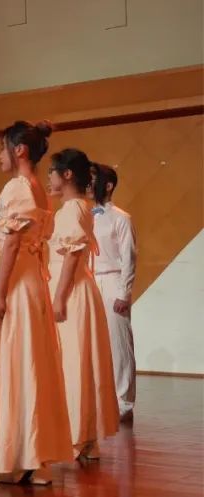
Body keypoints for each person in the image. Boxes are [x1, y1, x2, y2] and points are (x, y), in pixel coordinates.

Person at [0, 121, 71, 485]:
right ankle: (33, 456)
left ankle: (24, 454)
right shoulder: (38, 189)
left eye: (2, 148)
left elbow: (12, 244)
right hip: (33, 284)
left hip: (19, 283)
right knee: (31, 362)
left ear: (19, 150)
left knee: (17, 362)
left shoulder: (17, 187)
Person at [48, 149, 119, 461]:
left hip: (72, 292)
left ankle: (79, 435)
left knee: (75, 363)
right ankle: (85, 437)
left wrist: (59, 296)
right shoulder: (76, 208)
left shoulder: (73, 209)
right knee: (77, 362)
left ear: (66, 175)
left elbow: (73, 255)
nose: (48, 178)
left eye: (52, 172)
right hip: (74, 290)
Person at [91, 163, 138, 422]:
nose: (89, 183)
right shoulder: (85, 216)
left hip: (112, 280)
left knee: (119, 344)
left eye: (94, 178)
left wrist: (124, 293)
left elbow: (129, 258)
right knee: (94, 343)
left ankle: (124, 402)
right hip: (89, 281)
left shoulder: (121, 218)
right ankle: (100, 399)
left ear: (108, 185)